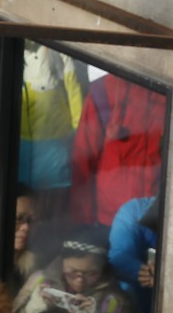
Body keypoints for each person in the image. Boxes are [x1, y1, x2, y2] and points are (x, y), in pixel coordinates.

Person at [68, 72, 167, 225]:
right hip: (110, 217)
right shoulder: (103, 90)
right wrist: (83, 220)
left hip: (156, 215)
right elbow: (84, 157)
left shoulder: (172, 94)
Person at [19, 43, 82, 212]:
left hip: (57, 152)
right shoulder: (15, 52)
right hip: (28, 157)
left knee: (51, 214)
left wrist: (78, 131)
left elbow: (74, 89)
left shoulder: (58, 50)